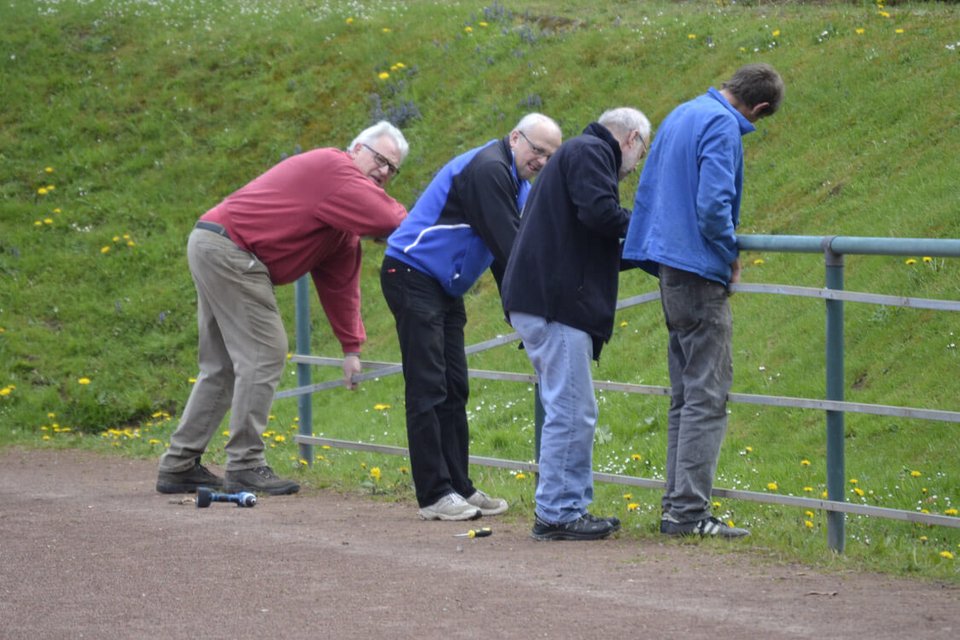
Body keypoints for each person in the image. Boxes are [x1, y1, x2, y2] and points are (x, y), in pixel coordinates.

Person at [156, 121, 410, 496]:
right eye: (380, 159)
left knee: (222, 365)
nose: (385, 172)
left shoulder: (340, 230)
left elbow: (341, 288)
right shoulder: (333, 166)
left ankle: (179, 465)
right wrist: (423, 225)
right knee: (265, 351)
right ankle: (244, 464)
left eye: (393, 168)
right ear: (356, 148)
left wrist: (351, 349)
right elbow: (390, 219)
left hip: (214, 243)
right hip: (232, 249)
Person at [623, 63, 785, 538]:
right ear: (756, 107)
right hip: (697, 271)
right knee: (706, 395)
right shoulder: (720, 124)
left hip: (669, 268)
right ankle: (689, 513)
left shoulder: (682, 113)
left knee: (685, 395)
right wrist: (729, 253)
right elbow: (715, 206)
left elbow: (650, 193)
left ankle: (678, 507)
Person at [381, 113, 562, 521]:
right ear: (515, 138)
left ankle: (458, 485)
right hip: (412, 273)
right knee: (428, 386)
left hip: (443, 285)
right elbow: (510, 246)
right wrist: (538, 309)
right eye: (537, 150)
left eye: (550, 156)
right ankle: (434, 494)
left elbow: (505, 255)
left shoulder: (516, 181)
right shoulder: (489, 170)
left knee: (455, 386)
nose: (542, 161)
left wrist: (517, 309)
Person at [501, 108, 651, 541]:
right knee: (572, 409)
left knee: (570, 407)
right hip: (556, 303)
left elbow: (594, 239)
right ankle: (559, 512)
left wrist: (648, 254)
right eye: (640, 154)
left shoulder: (576, 155)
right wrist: (655, 233)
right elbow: (602, 215)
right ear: (632, 139)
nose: (635, 167)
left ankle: (567, 506)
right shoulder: (589, 151)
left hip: (546, 299)